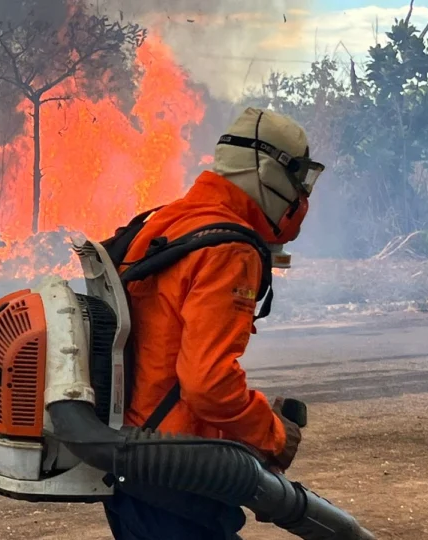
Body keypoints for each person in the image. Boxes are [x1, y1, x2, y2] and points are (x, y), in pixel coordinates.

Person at [102, 107, 324, 540]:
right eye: (299, 178)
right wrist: (272, 433)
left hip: (131, 460)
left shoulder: (166, 221)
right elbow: (207, 383)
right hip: (179, 473)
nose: (301, 194)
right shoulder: (229, 249)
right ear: (268, 170)